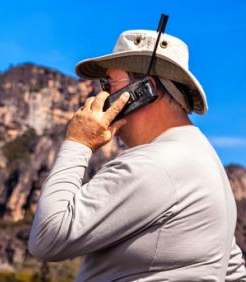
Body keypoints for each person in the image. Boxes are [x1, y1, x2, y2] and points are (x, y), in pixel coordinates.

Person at [28, 29, 246, 281]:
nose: (102, 96)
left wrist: (78, 142)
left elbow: (47, 237)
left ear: (145, 90)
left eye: (108, 84)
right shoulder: (206, 163)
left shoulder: (154, 164)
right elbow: (233, 273)